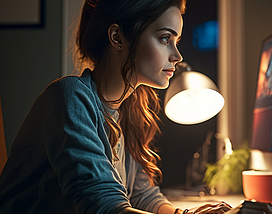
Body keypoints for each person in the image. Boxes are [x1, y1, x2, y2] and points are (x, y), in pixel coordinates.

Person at [0, 0, 232, 213]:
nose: (177, 56)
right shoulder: (70, 98)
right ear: (117, 38)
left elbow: (142, 194)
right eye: (164, 39)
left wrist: (184, 213)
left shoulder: (127, 110)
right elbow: (106, 207)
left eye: (176, 41)